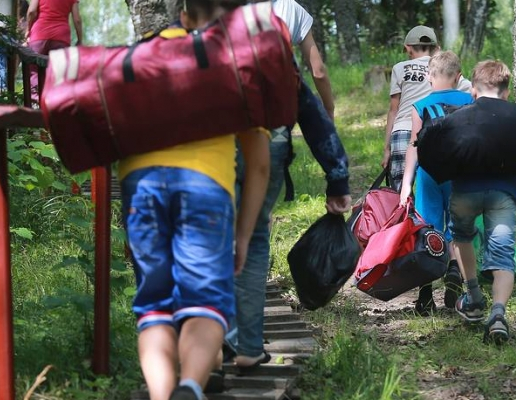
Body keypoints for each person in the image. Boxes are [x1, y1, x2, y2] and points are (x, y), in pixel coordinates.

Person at [118, 1, 270, 399]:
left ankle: (162, 394)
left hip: (140, 186)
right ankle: (189, 387)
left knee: (154, 307)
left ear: (184, 13)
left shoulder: (143, 51)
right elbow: (258, 167)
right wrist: (242, 236)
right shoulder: (238, 62)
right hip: (204, 188)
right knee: (206, 303)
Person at [228, 0, 352, 370]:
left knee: (212, 239)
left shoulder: (213, 38)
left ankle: (217, 335)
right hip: (270, 146)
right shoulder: (280, 50)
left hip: (213, 151)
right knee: (253, 239)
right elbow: (314, 119)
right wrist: (337, 179)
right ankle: (249, 345)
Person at [448, 60, 516, 344]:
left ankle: (473, 297)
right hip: (504, 194)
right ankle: (498, 313)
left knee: (462, 237)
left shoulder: (461, 114)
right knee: (503, 253)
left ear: (473, 91)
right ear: (507, 92)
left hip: (465, 191)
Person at [398, 50, 471, 315]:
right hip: (459, 174)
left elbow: (413, 146)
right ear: (458, 77)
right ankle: (455, 271)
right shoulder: (469, 100)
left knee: (428, 230)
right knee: (458, 229)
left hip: (428, 175)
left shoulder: (420, 106)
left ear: (429, 76)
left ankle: (425, 295)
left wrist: (406, 185)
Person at [382, 25, 469, 191]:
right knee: (431, 185)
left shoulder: (399, 68)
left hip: (403, 130)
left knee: (399, 189)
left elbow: (394, 110)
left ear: (407, 48)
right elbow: (471, 88)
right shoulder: (442, 68)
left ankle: (402, 216)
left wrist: (387, 149)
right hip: (432, 131)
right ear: (437, 48)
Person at [26, 0, 82, 98]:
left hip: (39, 34)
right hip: (61, 38)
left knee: (35, 71)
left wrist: (28, 30)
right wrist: (80, 39)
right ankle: (54, 105)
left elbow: (32, 11)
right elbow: (77, 19)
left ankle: (35, 103)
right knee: (58, 74)